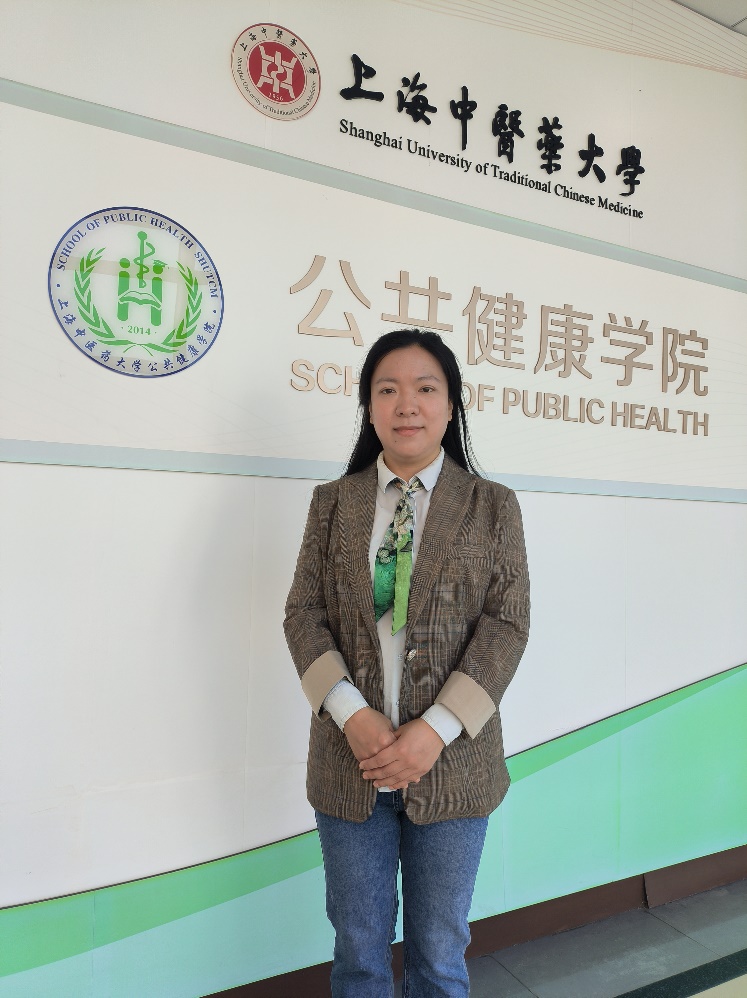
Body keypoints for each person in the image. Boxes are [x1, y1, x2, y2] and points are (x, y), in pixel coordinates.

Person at [284, 329, 530, 997]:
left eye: (425, 388)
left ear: (451, 405)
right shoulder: (333, 504)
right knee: (358, 956)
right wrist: (351, 714)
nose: (406, 404)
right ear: (369, 407)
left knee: (439, 959)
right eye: (387, 389)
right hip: (350, 766)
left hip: (454, 767)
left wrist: (435, 730)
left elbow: (506, 625)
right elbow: (302, 615)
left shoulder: (492, 507)